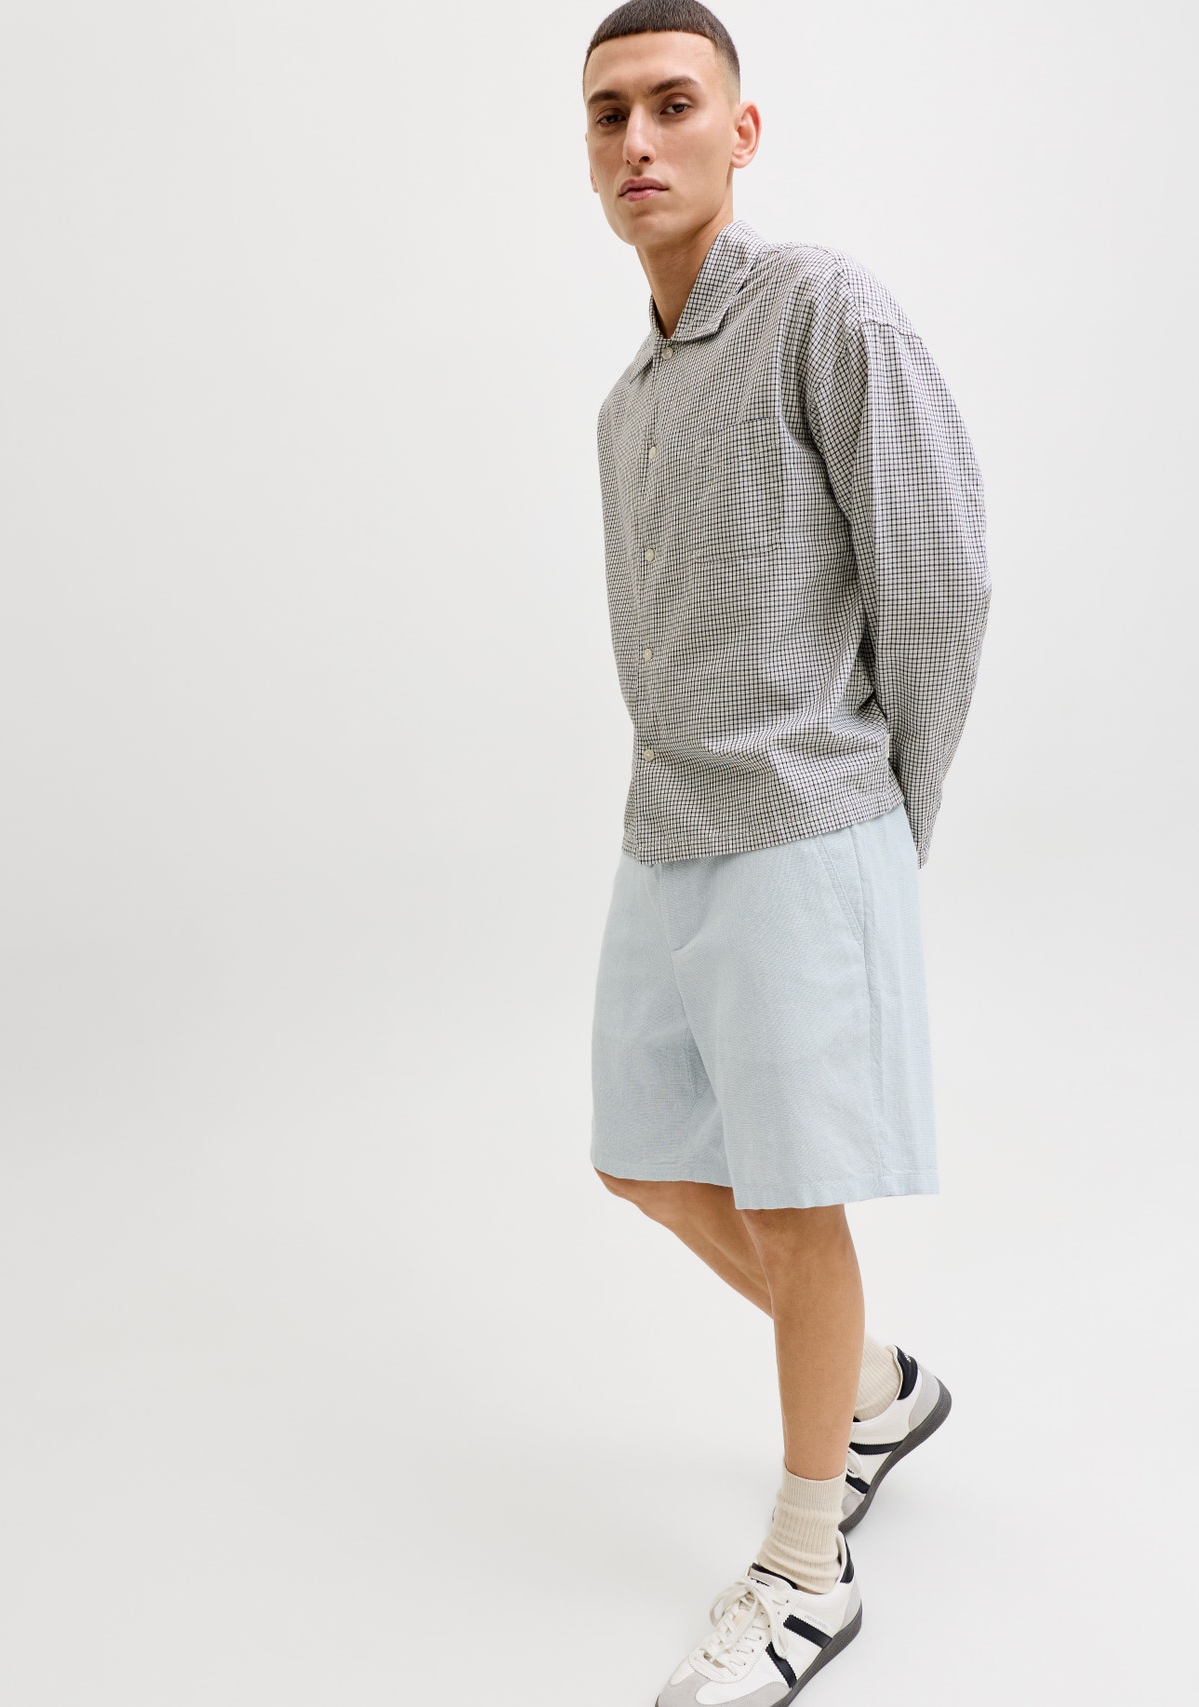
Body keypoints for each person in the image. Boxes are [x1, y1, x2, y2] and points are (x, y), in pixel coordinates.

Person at [581, 4, 990, 1702]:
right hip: (666, 830)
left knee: (792, 1199)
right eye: (608, 115)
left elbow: (941, 574)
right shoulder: (626, 404)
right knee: (640, 1160)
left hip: (806, 826)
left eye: (673, 104)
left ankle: (808, 1563)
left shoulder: (823, 309)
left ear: (740, 133)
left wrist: (884, 817)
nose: (637, 142)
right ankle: (876, 1388)